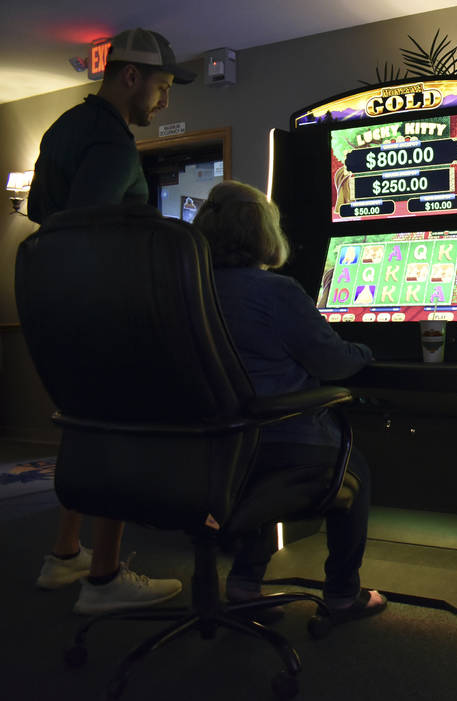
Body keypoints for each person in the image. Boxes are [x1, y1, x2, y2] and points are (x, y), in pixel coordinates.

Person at [29, 28, 194, 614]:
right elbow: (87, 231)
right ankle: (103, 578)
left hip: (60, 310)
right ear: (131, 77)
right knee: (123, 434)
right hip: (105, 312)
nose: (164, 102)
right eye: (162, 87)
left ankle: (65, 552)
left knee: (86, 426)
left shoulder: (63, 129)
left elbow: (41, 215)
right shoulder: (114, 144)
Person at [195, 180, 387, 620]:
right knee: (352, 470)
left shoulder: (189, 290)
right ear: (264, 233)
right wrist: (367, 350)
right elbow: (333, 361)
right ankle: (341, 592)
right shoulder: (275, 292)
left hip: (207, 449)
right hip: (277, 438)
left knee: (252, 463)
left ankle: (245, 583)